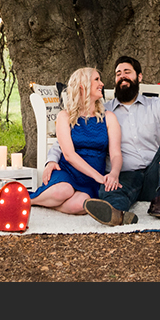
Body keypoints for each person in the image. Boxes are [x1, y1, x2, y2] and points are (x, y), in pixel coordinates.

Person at [42, 55, 160, 226]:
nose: (122, 76)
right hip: (125, 176)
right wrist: (51, 160)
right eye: (118, 74)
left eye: (127, 72)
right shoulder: (104, 112)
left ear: (139, 77)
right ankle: (115, 214)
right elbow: (66, 140)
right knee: (108, 189)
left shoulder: (154, 105)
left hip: (155, 175)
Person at [28, 67, 123, 215]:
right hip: (69, 171)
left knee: (81, 205)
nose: (102, 84)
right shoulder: (64, 117)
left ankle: (48, 204)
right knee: (63, 191)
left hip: (92, 177)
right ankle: (28, 201)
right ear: (82, 86)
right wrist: (98, 176)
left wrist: (114, 173)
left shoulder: (109, 117)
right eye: (97, 80)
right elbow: (69, 155)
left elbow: (116, 153)